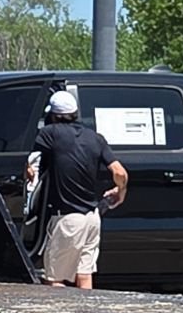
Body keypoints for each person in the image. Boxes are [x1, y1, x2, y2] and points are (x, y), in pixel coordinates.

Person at [25, 90, 129, 289]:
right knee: (84, 274)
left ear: (53, 115)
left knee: (53, 279)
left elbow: (31, 164)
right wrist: (120, 191)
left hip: (67, 220)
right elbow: (120, 172)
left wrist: (28, 176)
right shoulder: (95, 138)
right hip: (92, 217)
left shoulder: (50, 133)